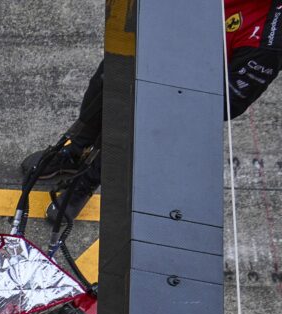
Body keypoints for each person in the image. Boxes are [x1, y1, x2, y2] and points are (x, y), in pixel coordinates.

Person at [21, 1, 282, 214]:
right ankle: (74, 150)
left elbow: (229, 102)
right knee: (104, 84)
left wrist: (172, 94)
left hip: (184, 89)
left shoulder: (270, 37)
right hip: (154, 40)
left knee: (133, 132)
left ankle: (88, 181)